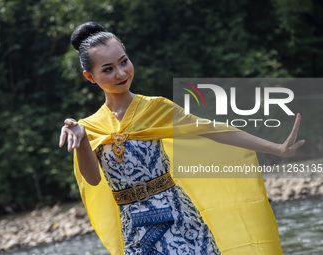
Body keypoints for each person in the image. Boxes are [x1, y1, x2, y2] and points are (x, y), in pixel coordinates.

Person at [59, 21, 305, 255]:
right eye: (108, 69)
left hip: (181, 223)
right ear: (90, 77)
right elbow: (92, 180)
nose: (121, 73)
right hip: (135, 232)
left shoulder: (156, 108)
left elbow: (214, 130)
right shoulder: (90, 127)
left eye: (124, 62)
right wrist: (81, 141)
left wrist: (277, 148)